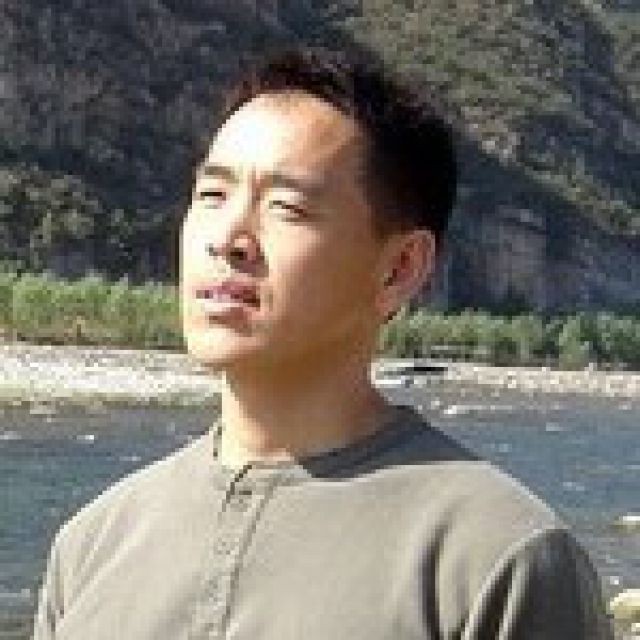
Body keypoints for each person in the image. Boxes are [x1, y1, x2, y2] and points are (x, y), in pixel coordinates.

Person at [32, 46, 612, 639]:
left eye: (285, 207)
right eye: (212, 196)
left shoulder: (497, 563)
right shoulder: (92, 547)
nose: (228, 238)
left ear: (399, 269)